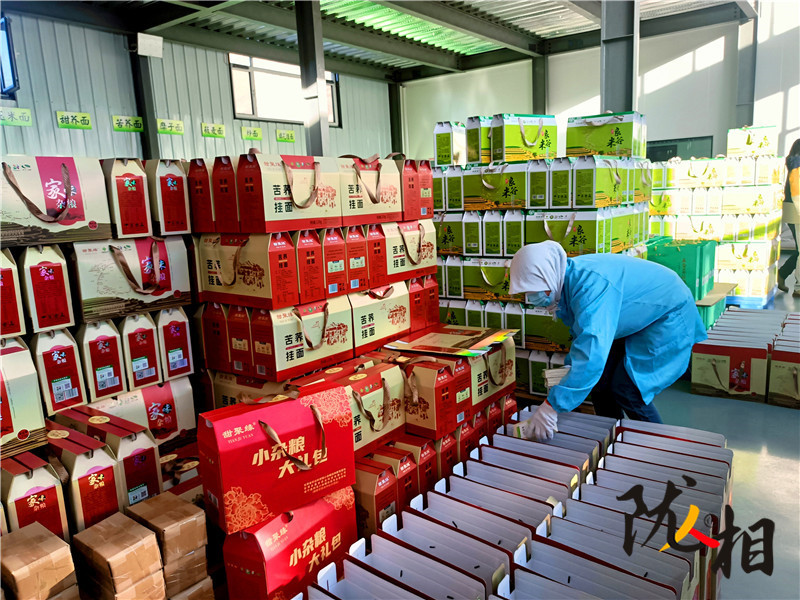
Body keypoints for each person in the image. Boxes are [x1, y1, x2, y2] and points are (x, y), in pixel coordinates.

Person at [510, 241, 707, 441]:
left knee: (628, 388)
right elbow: (583, 336)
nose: (531, 297)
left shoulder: (589, 286)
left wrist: (552, 406)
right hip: (639, 316)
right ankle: (611, 442)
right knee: (601, 383)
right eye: (527, 292)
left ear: (548, 275)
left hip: (668, 315)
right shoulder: (567, 282)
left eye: (535, 289)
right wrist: (571, 369)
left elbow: (591, 352)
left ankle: (658, 448)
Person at [777, 139, 800, 295]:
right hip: (796, 211)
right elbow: (796, 190)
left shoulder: (795, 163)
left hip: (793, 210)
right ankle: (798, 287)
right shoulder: (796, 164)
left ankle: (782, 275)